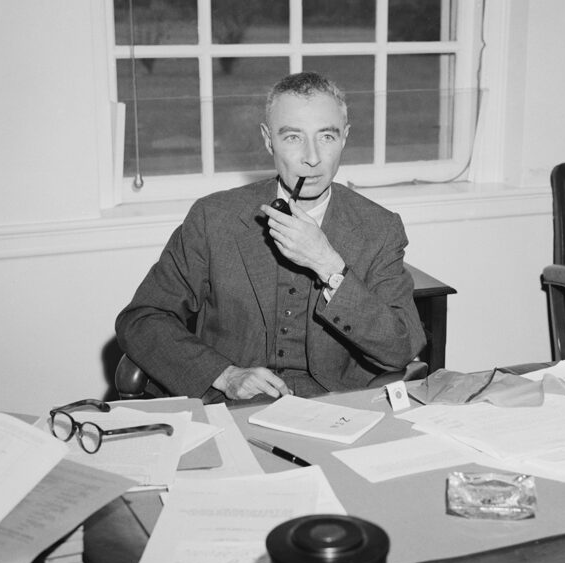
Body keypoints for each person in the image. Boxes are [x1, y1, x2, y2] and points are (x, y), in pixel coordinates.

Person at [116, 72, 426, 403]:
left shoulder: (379, 229)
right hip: (232, 405)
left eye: (326, 137)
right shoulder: (214, 218)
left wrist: (329, 265)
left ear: (345, 137)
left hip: (335, 408)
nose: (312, 157)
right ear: (268, 140)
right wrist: (225, 375)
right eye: (293, 137)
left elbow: (401, 347)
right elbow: (142, 320)